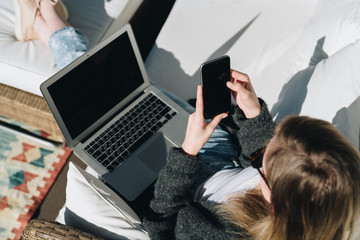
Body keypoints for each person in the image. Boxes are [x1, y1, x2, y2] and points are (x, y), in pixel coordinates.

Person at [15, 1, 360, 239]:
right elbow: (258, 155)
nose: (268, 145)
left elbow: (160, 224)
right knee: (143, 100)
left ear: (272, 191)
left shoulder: (218, 234)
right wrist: (254, 113)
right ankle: (58, 32)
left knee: (103, 105)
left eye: (269, 158)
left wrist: (188, 154)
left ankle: (52, 28)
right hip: (219, 154)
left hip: (174, 181)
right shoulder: (312, 199)